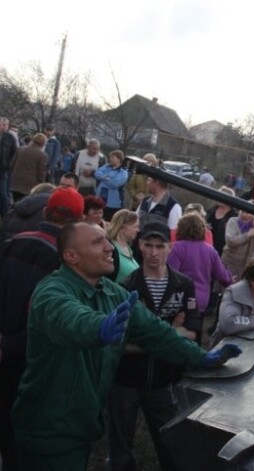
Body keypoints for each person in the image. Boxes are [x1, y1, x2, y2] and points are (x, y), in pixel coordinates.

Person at [10, 221, 241, 470]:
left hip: (81, 424)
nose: (110, 247)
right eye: (98, 242)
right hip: (48, 429)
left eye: (107, 240)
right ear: (71, 256)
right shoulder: (51, 292)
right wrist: (100, 327)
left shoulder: (113, 293)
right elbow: (70, 318)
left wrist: (200, 357)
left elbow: (156, 333)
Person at [0, 187, 84, 471]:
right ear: (78, 221)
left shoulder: (13, 242)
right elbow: (52, 324)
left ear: (46, 212)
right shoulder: (67, 263)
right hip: (34, 363)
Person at [107, 221, 201, 471]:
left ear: (170, 247)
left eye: (160, 246)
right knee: (120, 445)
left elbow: (193, 331)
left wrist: (148, 337)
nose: (153, 253)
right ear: (139, 245)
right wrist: (170, 333)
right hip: (125, 379)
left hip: (163, 379)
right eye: (148, 245)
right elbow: (119, 340)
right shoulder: (126, 287)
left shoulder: (183, 285)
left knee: (169, 442)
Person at [167, 213, 233, 314]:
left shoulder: (176, 248)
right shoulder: (210, 250)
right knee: (196, 327)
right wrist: (230, 278)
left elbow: (170, 275)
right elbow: (222, 275)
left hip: (180, 299)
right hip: (201, 301)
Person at [221, 201, 254, 279]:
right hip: (229, 263)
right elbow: (230, 241)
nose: (245, 213)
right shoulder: (233, 221)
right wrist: (248, 235)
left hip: (248, 267)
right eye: (244, 210)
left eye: (249, 211)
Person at [9, 132, 48, 202]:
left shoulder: (20, 149)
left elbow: (12, 164)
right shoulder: (42, 155)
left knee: (16, 202)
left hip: (15, 181)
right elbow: (41, 172)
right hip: (29, 185)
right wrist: (41, 183)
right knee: (25, 205)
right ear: (43, 143)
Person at [106, 209, 140, 282]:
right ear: (122, 227)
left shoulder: (130, 249)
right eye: (135, 227)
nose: (138, 230)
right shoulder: (110, 250)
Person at [95, 150, 129, 221]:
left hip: (112, 203)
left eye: (113, 157)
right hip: (100, 199)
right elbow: (97, 173)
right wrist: (107, 178)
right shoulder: (106, 167)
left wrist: (103, 178)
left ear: (119, 159)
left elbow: (115, 184)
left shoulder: (123, 172)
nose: (110, 159)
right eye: (110, 157)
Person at [206, 186, 238, 258]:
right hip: (205, 247)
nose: (218, 197)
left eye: (221, 196)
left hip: (221, 253)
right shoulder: (211, 210)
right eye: (218, 195)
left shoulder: (234, 216)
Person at [0, 116, 18, 219]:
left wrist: (8, 165)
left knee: (3, 193)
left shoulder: (9, 137)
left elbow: (14, 153)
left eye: (3, 124)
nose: (2, 126)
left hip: (3, 169)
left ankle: (6, 215)